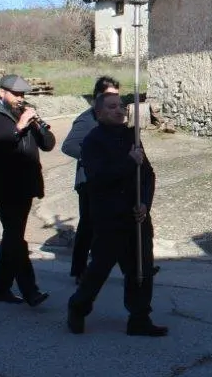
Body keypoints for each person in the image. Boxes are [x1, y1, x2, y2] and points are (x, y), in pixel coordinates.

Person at [67, 92, 166, 337]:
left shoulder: (132, 137)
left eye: (121, 106)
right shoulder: (93, 141)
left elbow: (147, 174)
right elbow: (98, 178)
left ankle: (139, 318)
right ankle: (78, 307)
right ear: (99, 113)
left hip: (137, 217)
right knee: (100, 268)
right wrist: (128, 162)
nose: (119, 110)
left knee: (141, 270)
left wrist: (145, 203)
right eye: (112, 107)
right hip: (110, 216)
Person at [0, 74, 54, 307]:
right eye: (16, 94)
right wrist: (19, 128)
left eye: (22, 95)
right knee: (15, 237)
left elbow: (48, 145)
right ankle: (30, 290)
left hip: (27, 184)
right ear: (2, 93)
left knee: (13, 236)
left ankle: (0, 288)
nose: (20, 99)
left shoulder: (26, 112)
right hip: (4, 185)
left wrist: (37, 124)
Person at [61, 75, 120, 284]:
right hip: (88, 181)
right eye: (109, 96)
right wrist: (94, 157)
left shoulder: (114, 118)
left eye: (116, 96)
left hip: (108, 180)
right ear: (97, 98)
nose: (114, 102)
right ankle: (79, 270)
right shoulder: (86, 120)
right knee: (88, 226)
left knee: (113, 223)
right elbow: (68, 146)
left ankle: (130, 265)